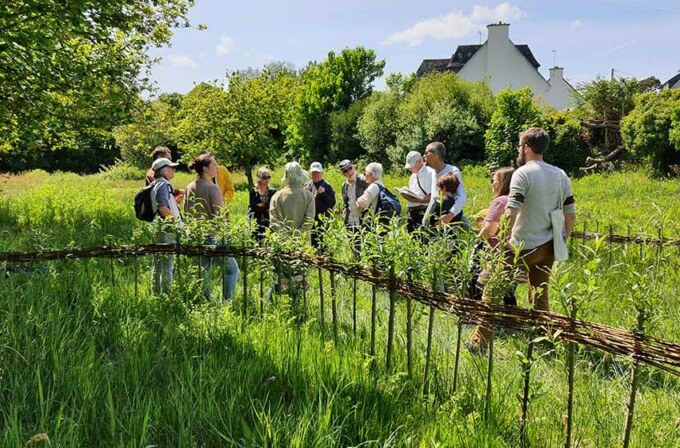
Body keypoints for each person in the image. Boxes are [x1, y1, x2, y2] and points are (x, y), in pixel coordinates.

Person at [468, 128, 576, 353]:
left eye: (520, 146)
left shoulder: (522, 173)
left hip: (520, 245)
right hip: (548, 246)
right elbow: (570, 212)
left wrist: (504, 241)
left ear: (526, 147)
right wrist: (563, 240)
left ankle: (479, 343)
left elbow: (511, 211)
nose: (519, 150)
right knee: (539, 295)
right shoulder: (560, 174)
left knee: (492, 290)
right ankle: (544, 342)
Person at [184, 153, 239, 303]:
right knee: (232, 270)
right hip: (213, 236)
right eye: (214, 165)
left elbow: (186, 213)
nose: (217, 168)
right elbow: (219, 215)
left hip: (197, 235)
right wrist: (226, 233)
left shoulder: (189, 187)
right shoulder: (213, 188)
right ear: (206, 169)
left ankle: (205, 301)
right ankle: (227, 302)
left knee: (204, 271)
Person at [467, 167, 517, 306]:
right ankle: (511, 323)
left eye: (494, 180)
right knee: (508, 290)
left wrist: (479, 236)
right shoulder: (516, 202)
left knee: (479, 284)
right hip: (514, 251)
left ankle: (478, 318)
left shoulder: (500, 201)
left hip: (496, 253)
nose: (491, 183)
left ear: (503, 183)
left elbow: (489, 230)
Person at [150, 157, 182, 294]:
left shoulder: (155, 184)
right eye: (171, 167)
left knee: (157, 263)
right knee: (167, 264)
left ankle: (156, 292)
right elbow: (163, 208)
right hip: (166, 229)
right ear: (163, 170)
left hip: (158, 227)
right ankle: (167, 295)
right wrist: (176, 224)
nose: (174, 170)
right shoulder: (163, 184)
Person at [422, 142, 467, 229]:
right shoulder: (431, 172)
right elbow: (434, 198)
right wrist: (426, 219)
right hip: (435, 217)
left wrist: (450, 216)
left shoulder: (452, 171)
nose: (424, 156)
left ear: (436, 155)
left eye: (426, 153)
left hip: (450, 219)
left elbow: (462, 196)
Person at [269, 162, 316, 239]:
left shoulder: (276, 196)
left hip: (282, 243)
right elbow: (309, 221)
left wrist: (286, 237)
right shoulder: (308, 196)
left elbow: (274, 221)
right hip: (303, 243)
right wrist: (297, 235)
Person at [305, 162, 336, 247]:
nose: (315, 175)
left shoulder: (326, 186)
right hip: (309, 220)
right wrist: (306, 193)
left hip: (322, 221)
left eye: (317, 173)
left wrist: (323, 194)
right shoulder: (307, 185)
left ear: (322, 173)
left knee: (322, 244)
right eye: (313, 173)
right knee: (310, 243)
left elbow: (332, 203)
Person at [401, 151, 433, 233]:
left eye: (412, 166)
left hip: (423, 212)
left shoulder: (429, 173)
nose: (410, 169)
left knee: (423, 239)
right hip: (411, 212)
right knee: (412, 239)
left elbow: (432, 196)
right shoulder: (413, 176)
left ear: (419, 162)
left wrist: (416, 200)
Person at [248, 167, 277, 242]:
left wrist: (261, 206)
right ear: (259, 178)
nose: (267, 180)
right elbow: (253, 207)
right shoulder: (253, 191)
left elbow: (272, 208)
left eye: (268, 177)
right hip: (256, 223)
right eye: (264, 177)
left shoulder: (273, 192)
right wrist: (265, 207)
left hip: (269, 223)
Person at [339, 159, 368, 233]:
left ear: (354, 167)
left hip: (364, 222)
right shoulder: (344, 186)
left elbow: (372, 200)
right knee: (352, 244)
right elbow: (345, 204)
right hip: (350, 222)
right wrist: (344, 216)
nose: (349, 172)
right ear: (343, 173)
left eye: (350, 168)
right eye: (345, 171)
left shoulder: (364, 180)